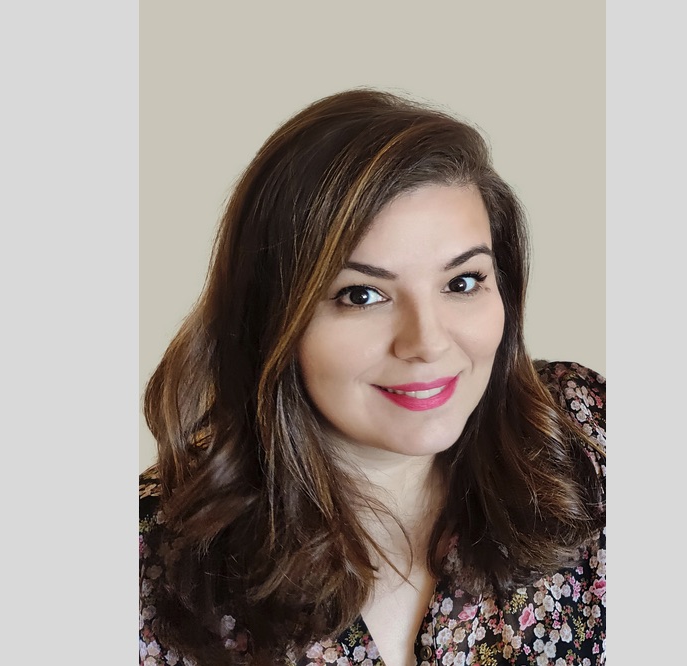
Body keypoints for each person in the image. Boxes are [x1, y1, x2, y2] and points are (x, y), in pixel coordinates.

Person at [139, 89, 606, 666]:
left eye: (462, 282)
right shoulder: (149, 567)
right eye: (362, 295)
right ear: (270, 316)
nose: (428, 343)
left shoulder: (584, 430)